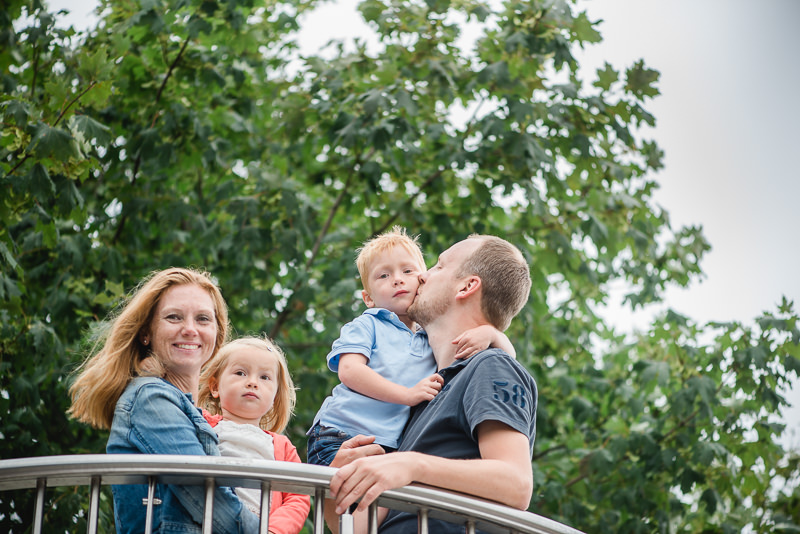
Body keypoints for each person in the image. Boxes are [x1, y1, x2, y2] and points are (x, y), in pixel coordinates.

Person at [327, 235, 537, 534]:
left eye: (438, 266)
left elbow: (516, 485)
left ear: (467, 286)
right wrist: (336, 483)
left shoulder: (490, 366)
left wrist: (411, 466)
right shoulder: (421, 395)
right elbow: (352, 530)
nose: (421, 275)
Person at [69, 267, 260, 534]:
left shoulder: (191, 410)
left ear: (217, 335)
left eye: (203, 319)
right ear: (146, 333)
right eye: (174, 317)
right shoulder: (150, 397)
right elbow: (211, 501)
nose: (190, 329)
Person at [307, 227, 515, 467]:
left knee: (374, 499)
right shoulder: (369, 324)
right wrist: (407, 395)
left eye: (408, 271)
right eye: (383, 276)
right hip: (341, 432)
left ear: (422, 278)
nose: (397, 279)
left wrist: (491, 333)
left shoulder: (430, 337)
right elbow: (350, 371)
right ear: (369, 298)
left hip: (388, 444)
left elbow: (505, 360)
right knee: (347, 495)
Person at [197, 336, 310, 534]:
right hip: (210, 522)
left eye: (264, 377)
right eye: (240, 373)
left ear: (275, 396)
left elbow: (297, 497)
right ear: (215, 386)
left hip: (259, 527)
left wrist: (274, 530)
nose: (252, 383)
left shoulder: (282, 446)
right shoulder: (202, 424)